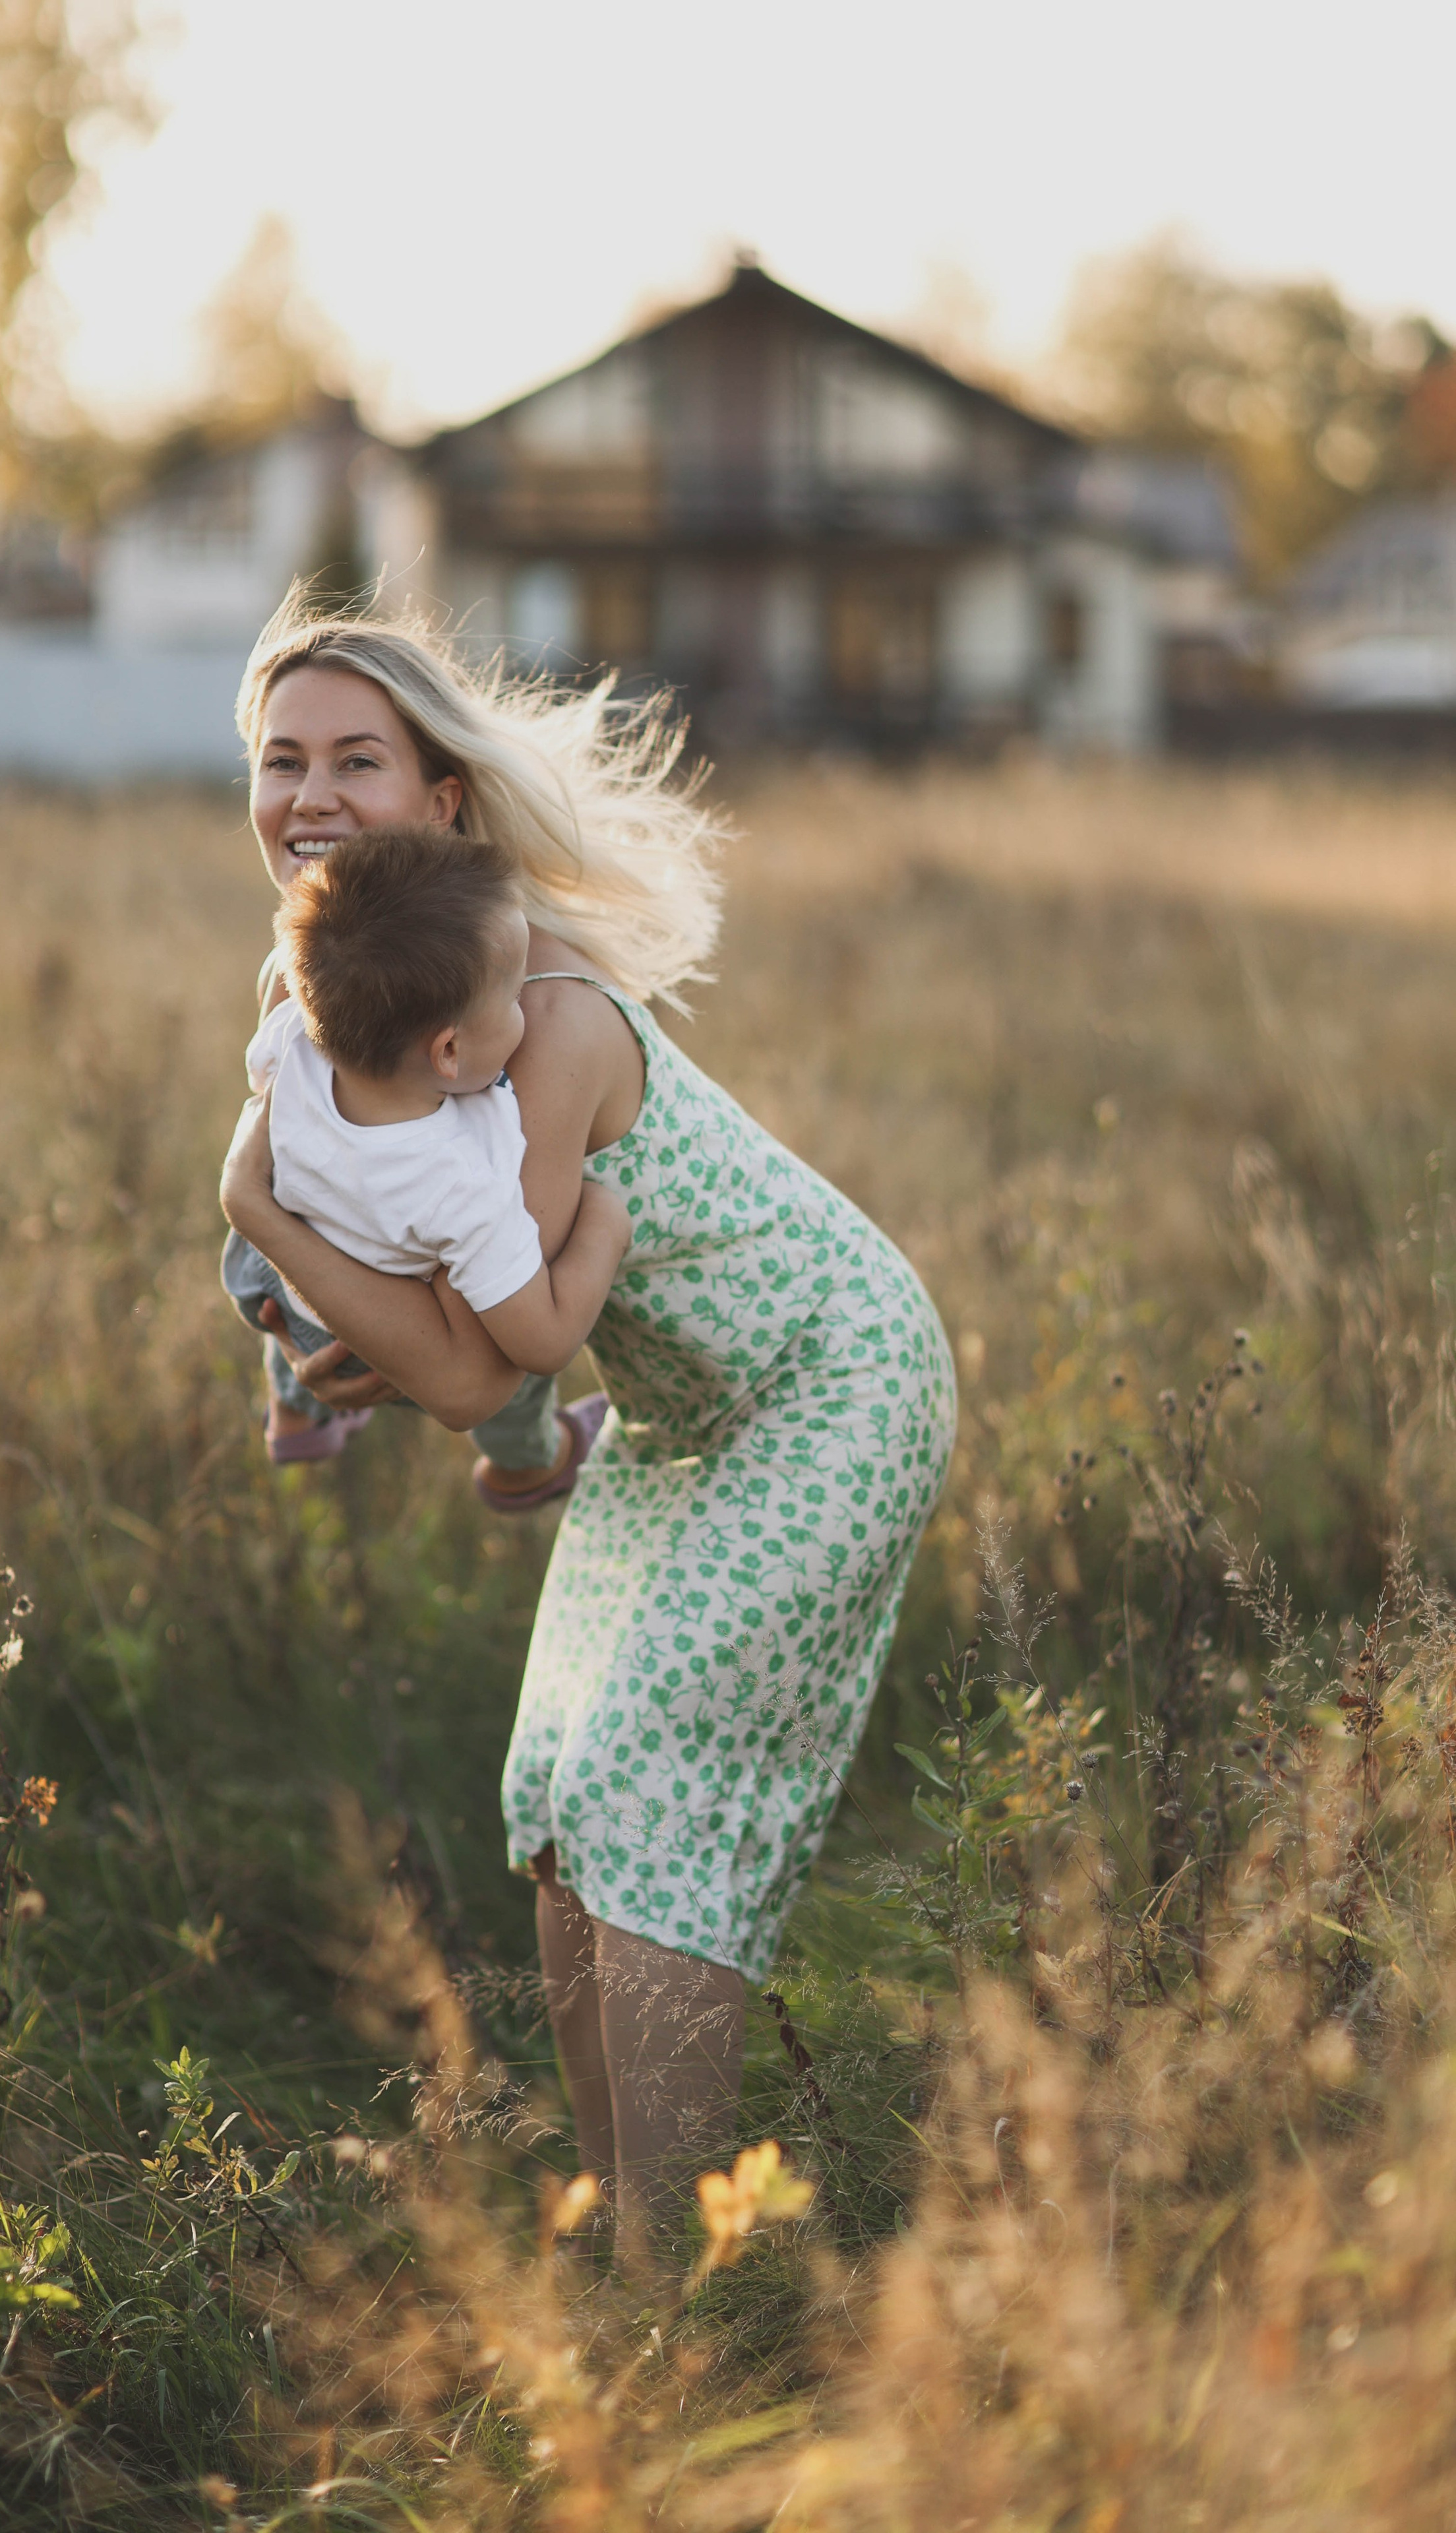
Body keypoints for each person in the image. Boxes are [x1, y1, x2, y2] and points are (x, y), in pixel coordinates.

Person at [220, 594, 956, 2264]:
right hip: (681, 1416)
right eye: (282, 760)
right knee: (553, 1783)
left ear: (446, 800)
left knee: (643, 1772)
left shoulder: (536, 1019)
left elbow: (486, 1371)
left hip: (826, 1383)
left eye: (357, 758)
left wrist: (252, 1206)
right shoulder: (356, 998)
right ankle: (630, 2227)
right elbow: (421, 1315)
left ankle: (675, 2284)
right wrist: (339, 1333)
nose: (311, 792)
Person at [239, 824, 630, 1377]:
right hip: (360, 1347)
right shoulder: (461, 1187)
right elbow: (543, 1346)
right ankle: (532, 1460)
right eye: (516, 996)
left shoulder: (293, 1037)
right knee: (517, 1396)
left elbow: (260, 1076)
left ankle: (293, 1410)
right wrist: (606, 1224)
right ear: (448, 1050)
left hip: (261, 1277)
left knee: (274, 1289)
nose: (528, 1007)